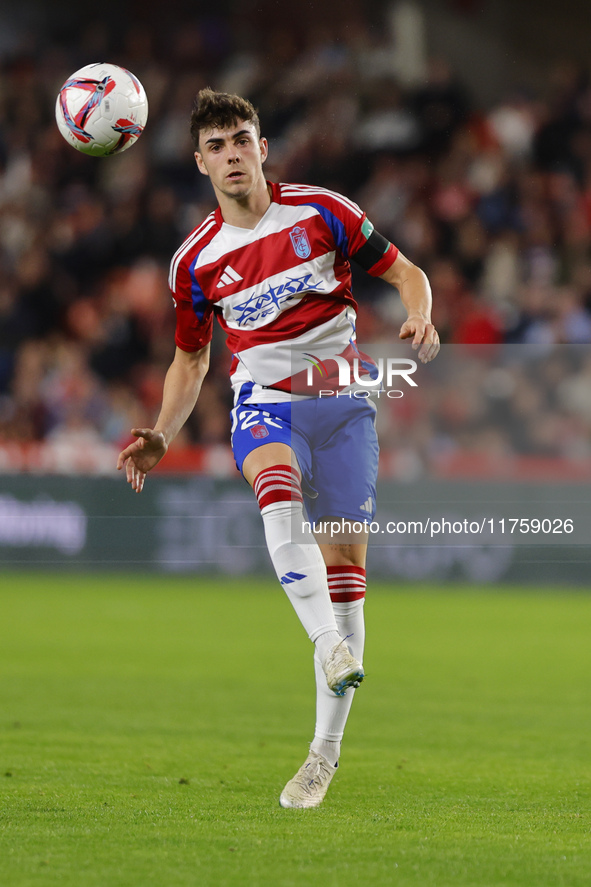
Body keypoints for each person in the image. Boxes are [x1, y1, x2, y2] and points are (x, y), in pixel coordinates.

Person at [117, 88, 440, 808]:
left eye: (241, 139)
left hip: (344, 399)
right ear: (199, 163)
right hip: (264, 402)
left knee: (346, 564)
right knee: (275, 486)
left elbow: (404, 272)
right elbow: (191, 360)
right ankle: (326, 643)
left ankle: (322, 754)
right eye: (216, 146)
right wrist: (163, 432)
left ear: (262, 147)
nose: (231, 154)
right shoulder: (194, 262)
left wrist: (418, 312)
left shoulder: (324, 211)